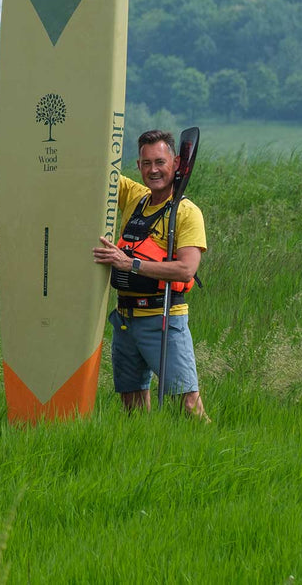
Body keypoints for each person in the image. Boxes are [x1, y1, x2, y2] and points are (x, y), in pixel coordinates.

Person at [92, 130, 209, 419]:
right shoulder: (136, 197)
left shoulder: (186, 212)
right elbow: (97, 170)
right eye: (146, 163)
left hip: (163, 318)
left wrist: (130, 263)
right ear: (138, 165)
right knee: (131, 402)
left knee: (188, 404)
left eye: (160, 161)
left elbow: (186, 269)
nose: (153, 170)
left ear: (177, 162)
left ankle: (218, 454)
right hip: (124, 320)